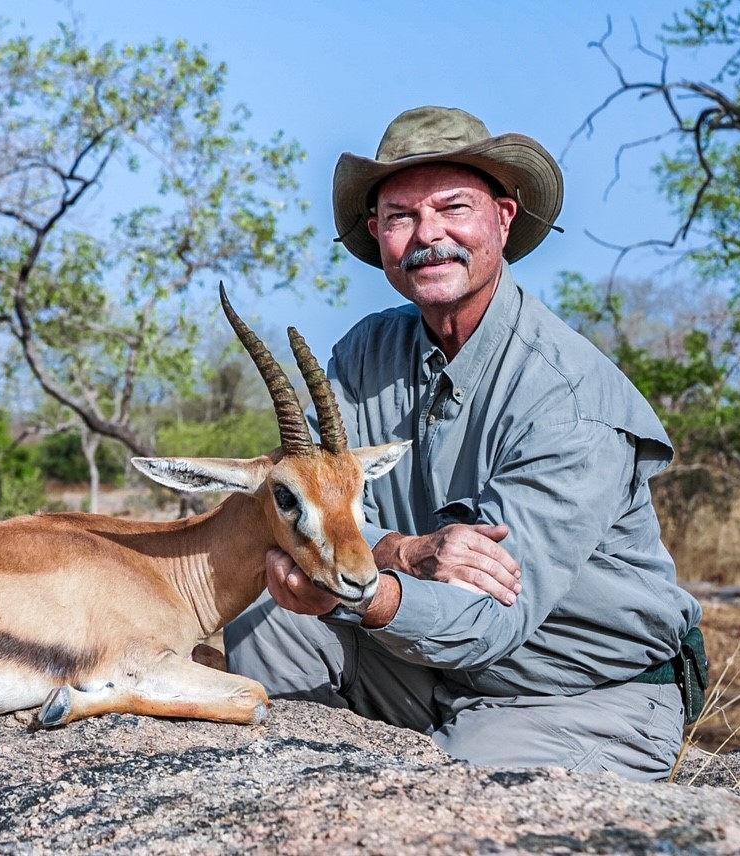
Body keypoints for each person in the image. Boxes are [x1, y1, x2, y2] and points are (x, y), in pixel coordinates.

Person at [224, 106, 706, 781]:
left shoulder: (568, 398)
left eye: (453, 207)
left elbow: (492, 618)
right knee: (266, 622)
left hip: (571, 692)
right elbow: (302, 502)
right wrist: (399, 552)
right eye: (401, 217)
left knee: (444, 797)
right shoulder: (366, 353)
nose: (429, 236)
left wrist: (364, 584)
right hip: (418, 664)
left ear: (503, 219)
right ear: (377, 235)